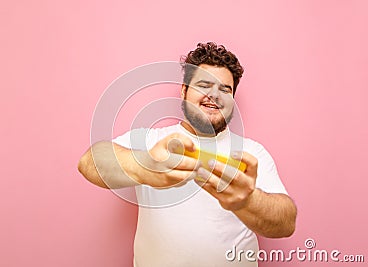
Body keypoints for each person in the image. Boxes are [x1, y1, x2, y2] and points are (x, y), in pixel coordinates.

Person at [78, 42, 297, 266]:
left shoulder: (252, 153)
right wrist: (146, 166)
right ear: (184, 91)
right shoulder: (152, 141)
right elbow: (90, 161)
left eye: (225, 89)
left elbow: (286, 222)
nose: (215, 95)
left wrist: (248, 201)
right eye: (204, 85)